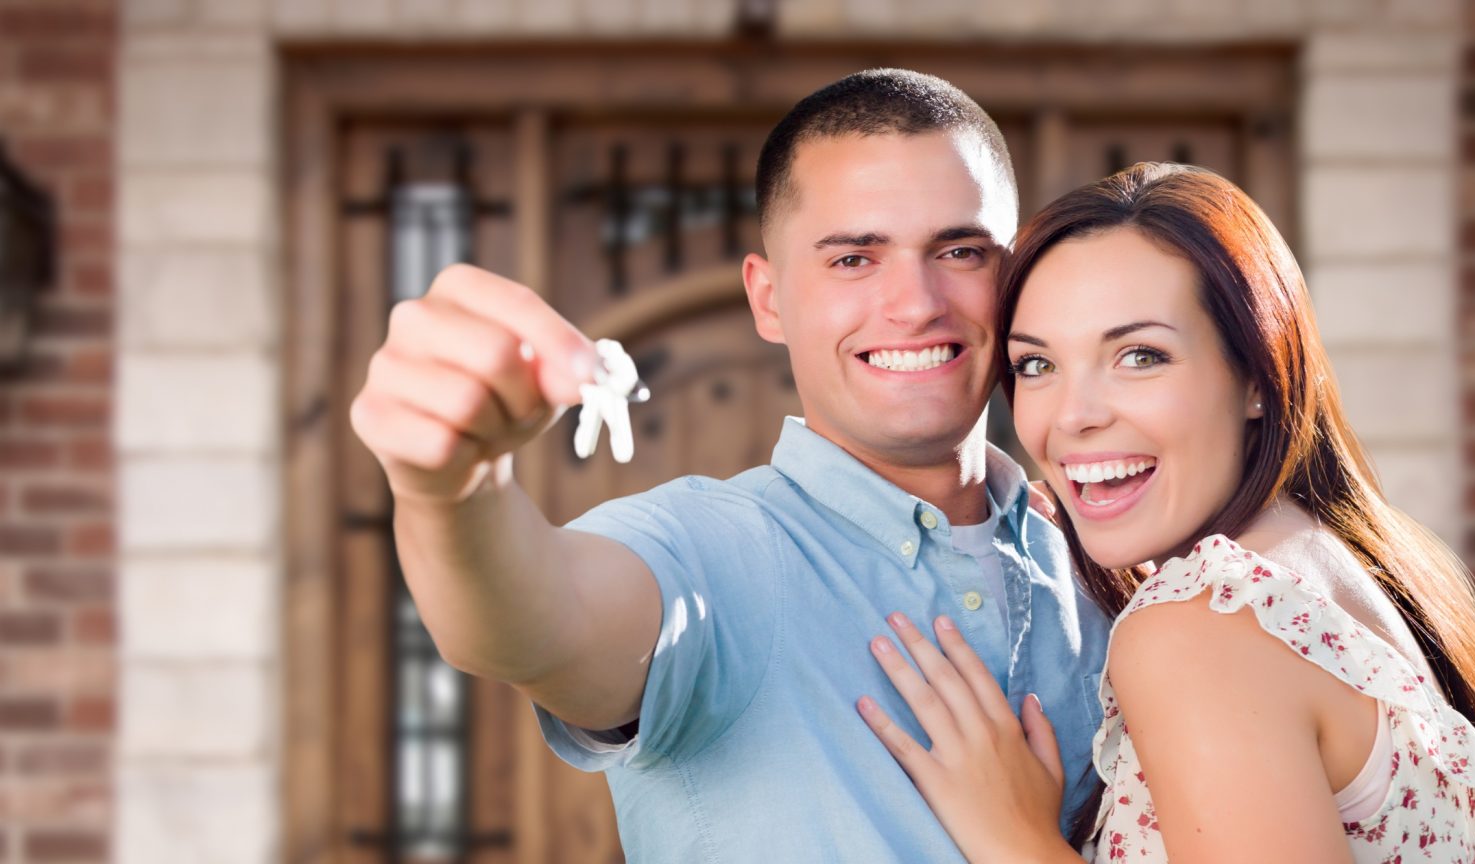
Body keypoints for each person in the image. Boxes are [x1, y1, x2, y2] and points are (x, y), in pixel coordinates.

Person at [349, 68, 1110, 861]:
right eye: (854, 259)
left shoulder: (1102, 553)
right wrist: (450, 492)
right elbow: (534, 622)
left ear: (1016, 276)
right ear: (769, 298)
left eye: (959, 250)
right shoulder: (709, 549)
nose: (916, 303)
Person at [858, 162, 1475, 863]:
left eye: (1141, 356)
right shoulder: (1338, 561)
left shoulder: (1204, 626)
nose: (1073, 417)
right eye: (1036, 365)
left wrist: (1016, 838)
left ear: (1257, 378)